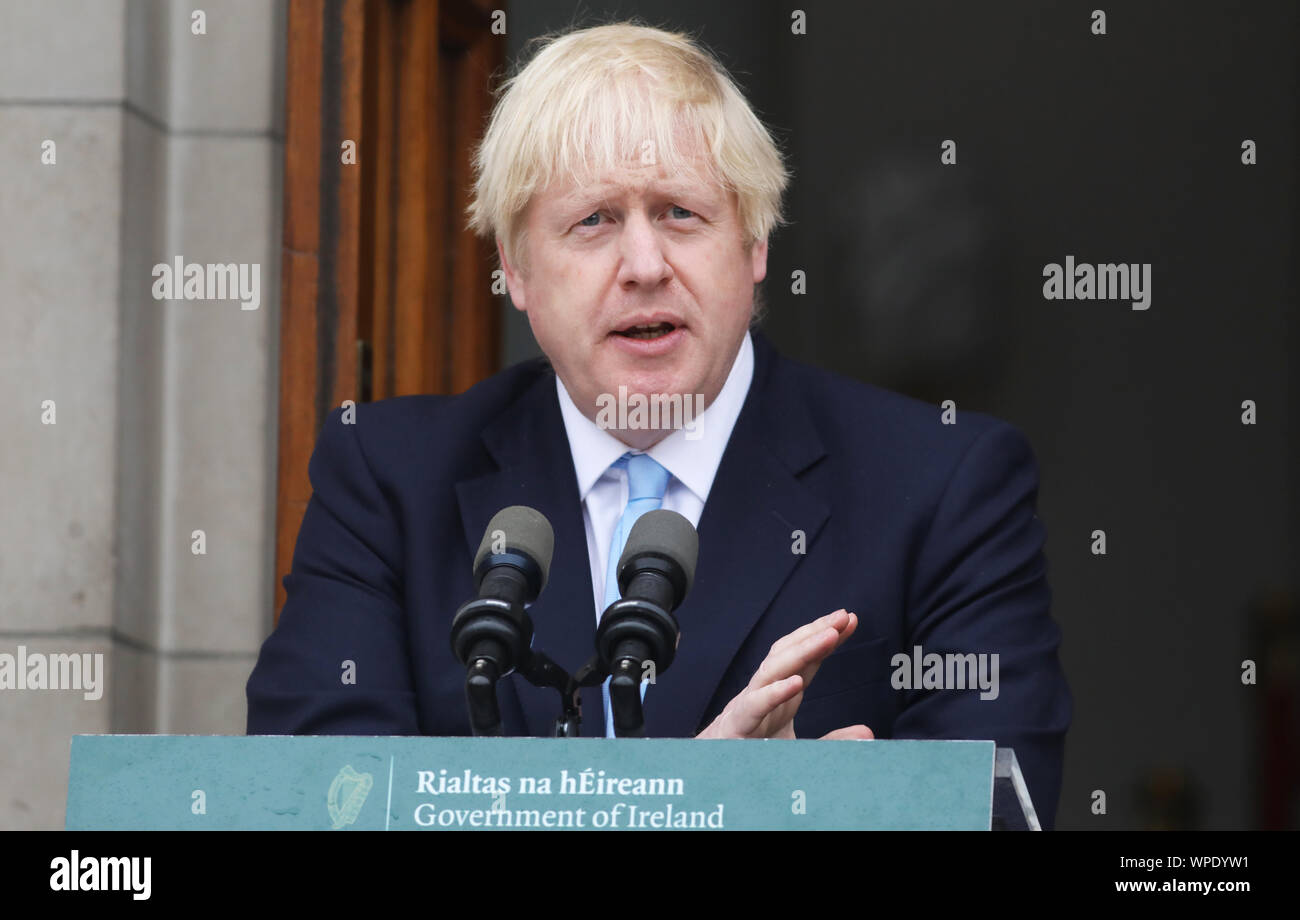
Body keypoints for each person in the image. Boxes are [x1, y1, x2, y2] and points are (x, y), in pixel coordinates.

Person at [247, 23, 1072, 827]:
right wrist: (706, 806)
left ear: (753, 244)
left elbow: (992, 811)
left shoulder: (944, 484)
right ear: (516, 269)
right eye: (594, 221)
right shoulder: (388, 481)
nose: (645, 266)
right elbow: (312, 806)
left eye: (680, 212)